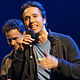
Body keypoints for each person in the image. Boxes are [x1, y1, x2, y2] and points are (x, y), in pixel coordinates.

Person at [20, 1, 80, 80]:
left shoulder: (65, 41)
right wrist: (20, 52)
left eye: (35, 16)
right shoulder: (26, 48)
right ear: (25, 24)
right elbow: (17, 75)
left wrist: (58, 63)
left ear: (44, 20)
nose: (31, 21)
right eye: (27, 18)